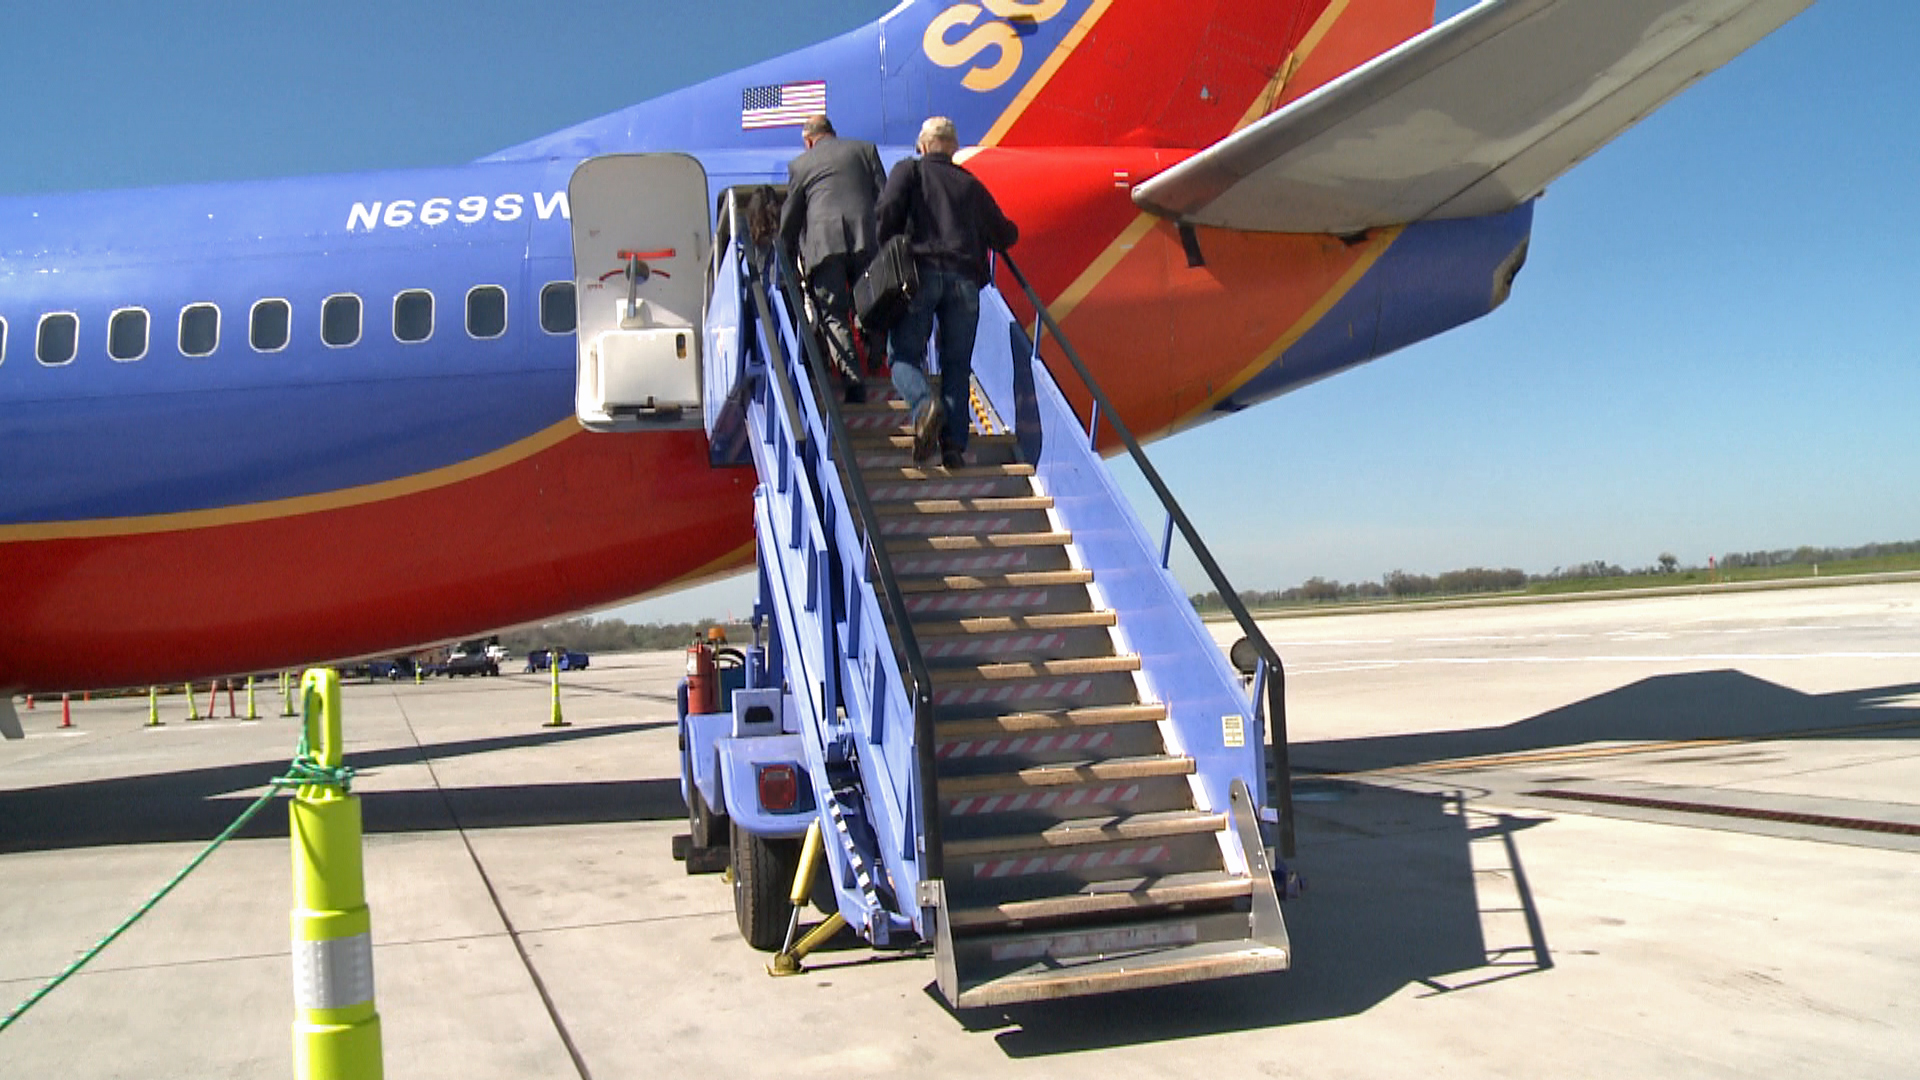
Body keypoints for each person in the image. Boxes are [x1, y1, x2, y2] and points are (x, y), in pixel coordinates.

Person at [875, 116, 1018, 467]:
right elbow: (1005, 235)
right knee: (957, 365)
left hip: (920, 275)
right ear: (954, 148)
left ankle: (925, 406)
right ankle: (953, 448)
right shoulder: (970, 185)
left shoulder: (910, 171)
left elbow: (886, 210)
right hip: (964, 281)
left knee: (904, 356)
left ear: (922, 146)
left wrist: (890, 244)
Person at [778, 114, 886, 403]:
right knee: (872, 301)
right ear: (832, 132)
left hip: (824, 248)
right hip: (866, 239)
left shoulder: (800, 165)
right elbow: (885, 198)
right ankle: (876, 344)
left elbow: (791, 219)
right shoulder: (864, 151)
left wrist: (785, 258)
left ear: (808, 141)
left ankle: (854, 383)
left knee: (833, 313)